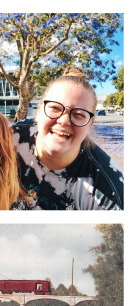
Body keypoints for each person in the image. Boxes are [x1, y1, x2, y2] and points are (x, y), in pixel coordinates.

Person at [12, 67, 124, 210]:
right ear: (39, 111)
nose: (64, 121)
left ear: (90, 125)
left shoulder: (107, 189)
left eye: (78, 114)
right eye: (55, 108)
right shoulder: (11, 138)